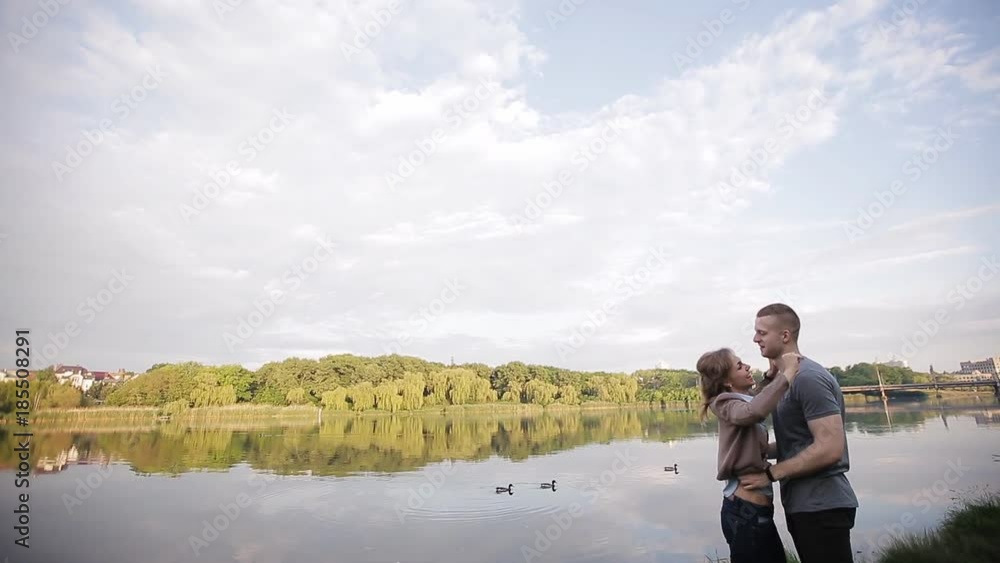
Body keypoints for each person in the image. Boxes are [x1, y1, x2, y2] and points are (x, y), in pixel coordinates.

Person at [739, 303, 859, 563]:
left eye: (762, 332)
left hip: (823, 505)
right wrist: (753, 452)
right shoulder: (785, 380)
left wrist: (769, 474)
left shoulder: (807, 378)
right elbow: (796, 442)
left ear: (785, 336)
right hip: (804, 504)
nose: (755, 339)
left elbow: (829, 447)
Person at [697, 347, 801, 563]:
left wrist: (770, 377)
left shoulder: (740, 402)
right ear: (727, 381)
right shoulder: (724, 403)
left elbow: (755, 400)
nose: (747, 367)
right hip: (745, 514)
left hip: (756, 513)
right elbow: (753, 411)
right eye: (739, 366)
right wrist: (787, 373)